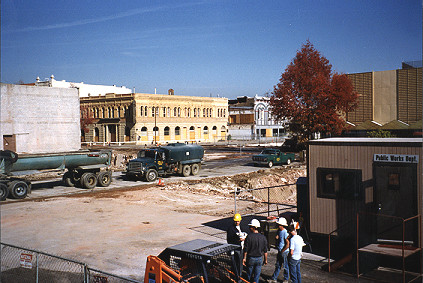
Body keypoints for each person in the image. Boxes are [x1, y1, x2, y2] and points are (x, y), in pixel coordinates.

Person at [243, 219, 268, 283]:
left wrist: (244, 258)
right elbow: (265, 250)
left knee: (249, 275)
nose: (249, 228)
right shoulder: (263, 237)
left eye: (250, 227)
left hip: (251, 258)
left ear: (254, 227)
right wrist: (265, 260)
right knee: (257, 276)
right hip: (259, 258)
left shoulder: (249, 237)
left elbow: (245, 249)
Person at [268, 217, 290, 283]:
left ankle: (286, 279)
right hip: (280, 250)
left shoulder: (285, 232)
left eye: (279, 225)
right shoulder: (279, 231)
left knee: (285, 266)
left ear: (281, 225)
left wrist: (283, 250)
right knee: (278, 265)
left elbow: (287, 243)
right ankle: (274, 278)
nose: (278, 226)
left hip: (284, 252)